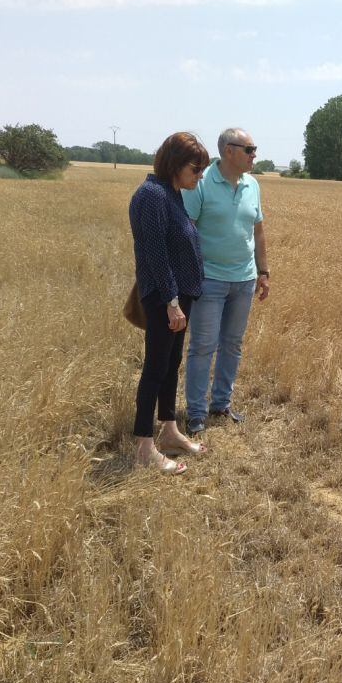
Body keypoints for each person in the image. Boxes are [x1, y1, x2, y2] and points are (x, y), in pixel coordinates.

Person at [129, 132, 211, 474]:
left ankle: (169, 430)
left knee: (170, 363)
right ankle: (144, 447)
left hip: (179, 296)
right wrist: (171, 301)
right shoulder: (151, 196)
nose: (200, 176)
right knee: (155, 368)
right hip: (166, 298)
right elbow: (157, 256)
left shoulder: (172, 194)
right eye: (196, 168)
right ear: (175, 164)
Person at [181, 128, 270, 436]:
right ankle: (195, 413)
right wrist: (191, 274)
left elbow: (257, 232)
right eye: (249, 149)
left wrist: (264, 272)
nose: (254, 155)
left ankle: (221, 404)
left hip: (243, 280)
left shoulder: (252, 184)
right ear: (228, 151)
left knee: (232, 345)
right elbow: (187, 229)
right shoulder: (201, 182)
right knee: (203, 346)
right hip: (209, 280)